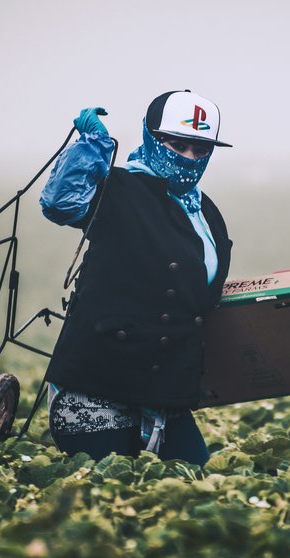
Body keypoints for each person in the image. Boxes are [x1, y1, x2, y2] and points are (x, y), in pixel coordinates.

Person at [38, 90, 233, 466]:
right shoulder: (119, 189)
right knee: (111, 501)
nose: (190, 158)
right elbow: (61, 203)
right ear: (151, 137)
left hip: (164, 396)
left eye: (201, 149)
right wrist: (92, 146)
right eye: (178, 145)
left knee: (197, 482)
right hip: (98, 387)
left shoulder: (206, 211)